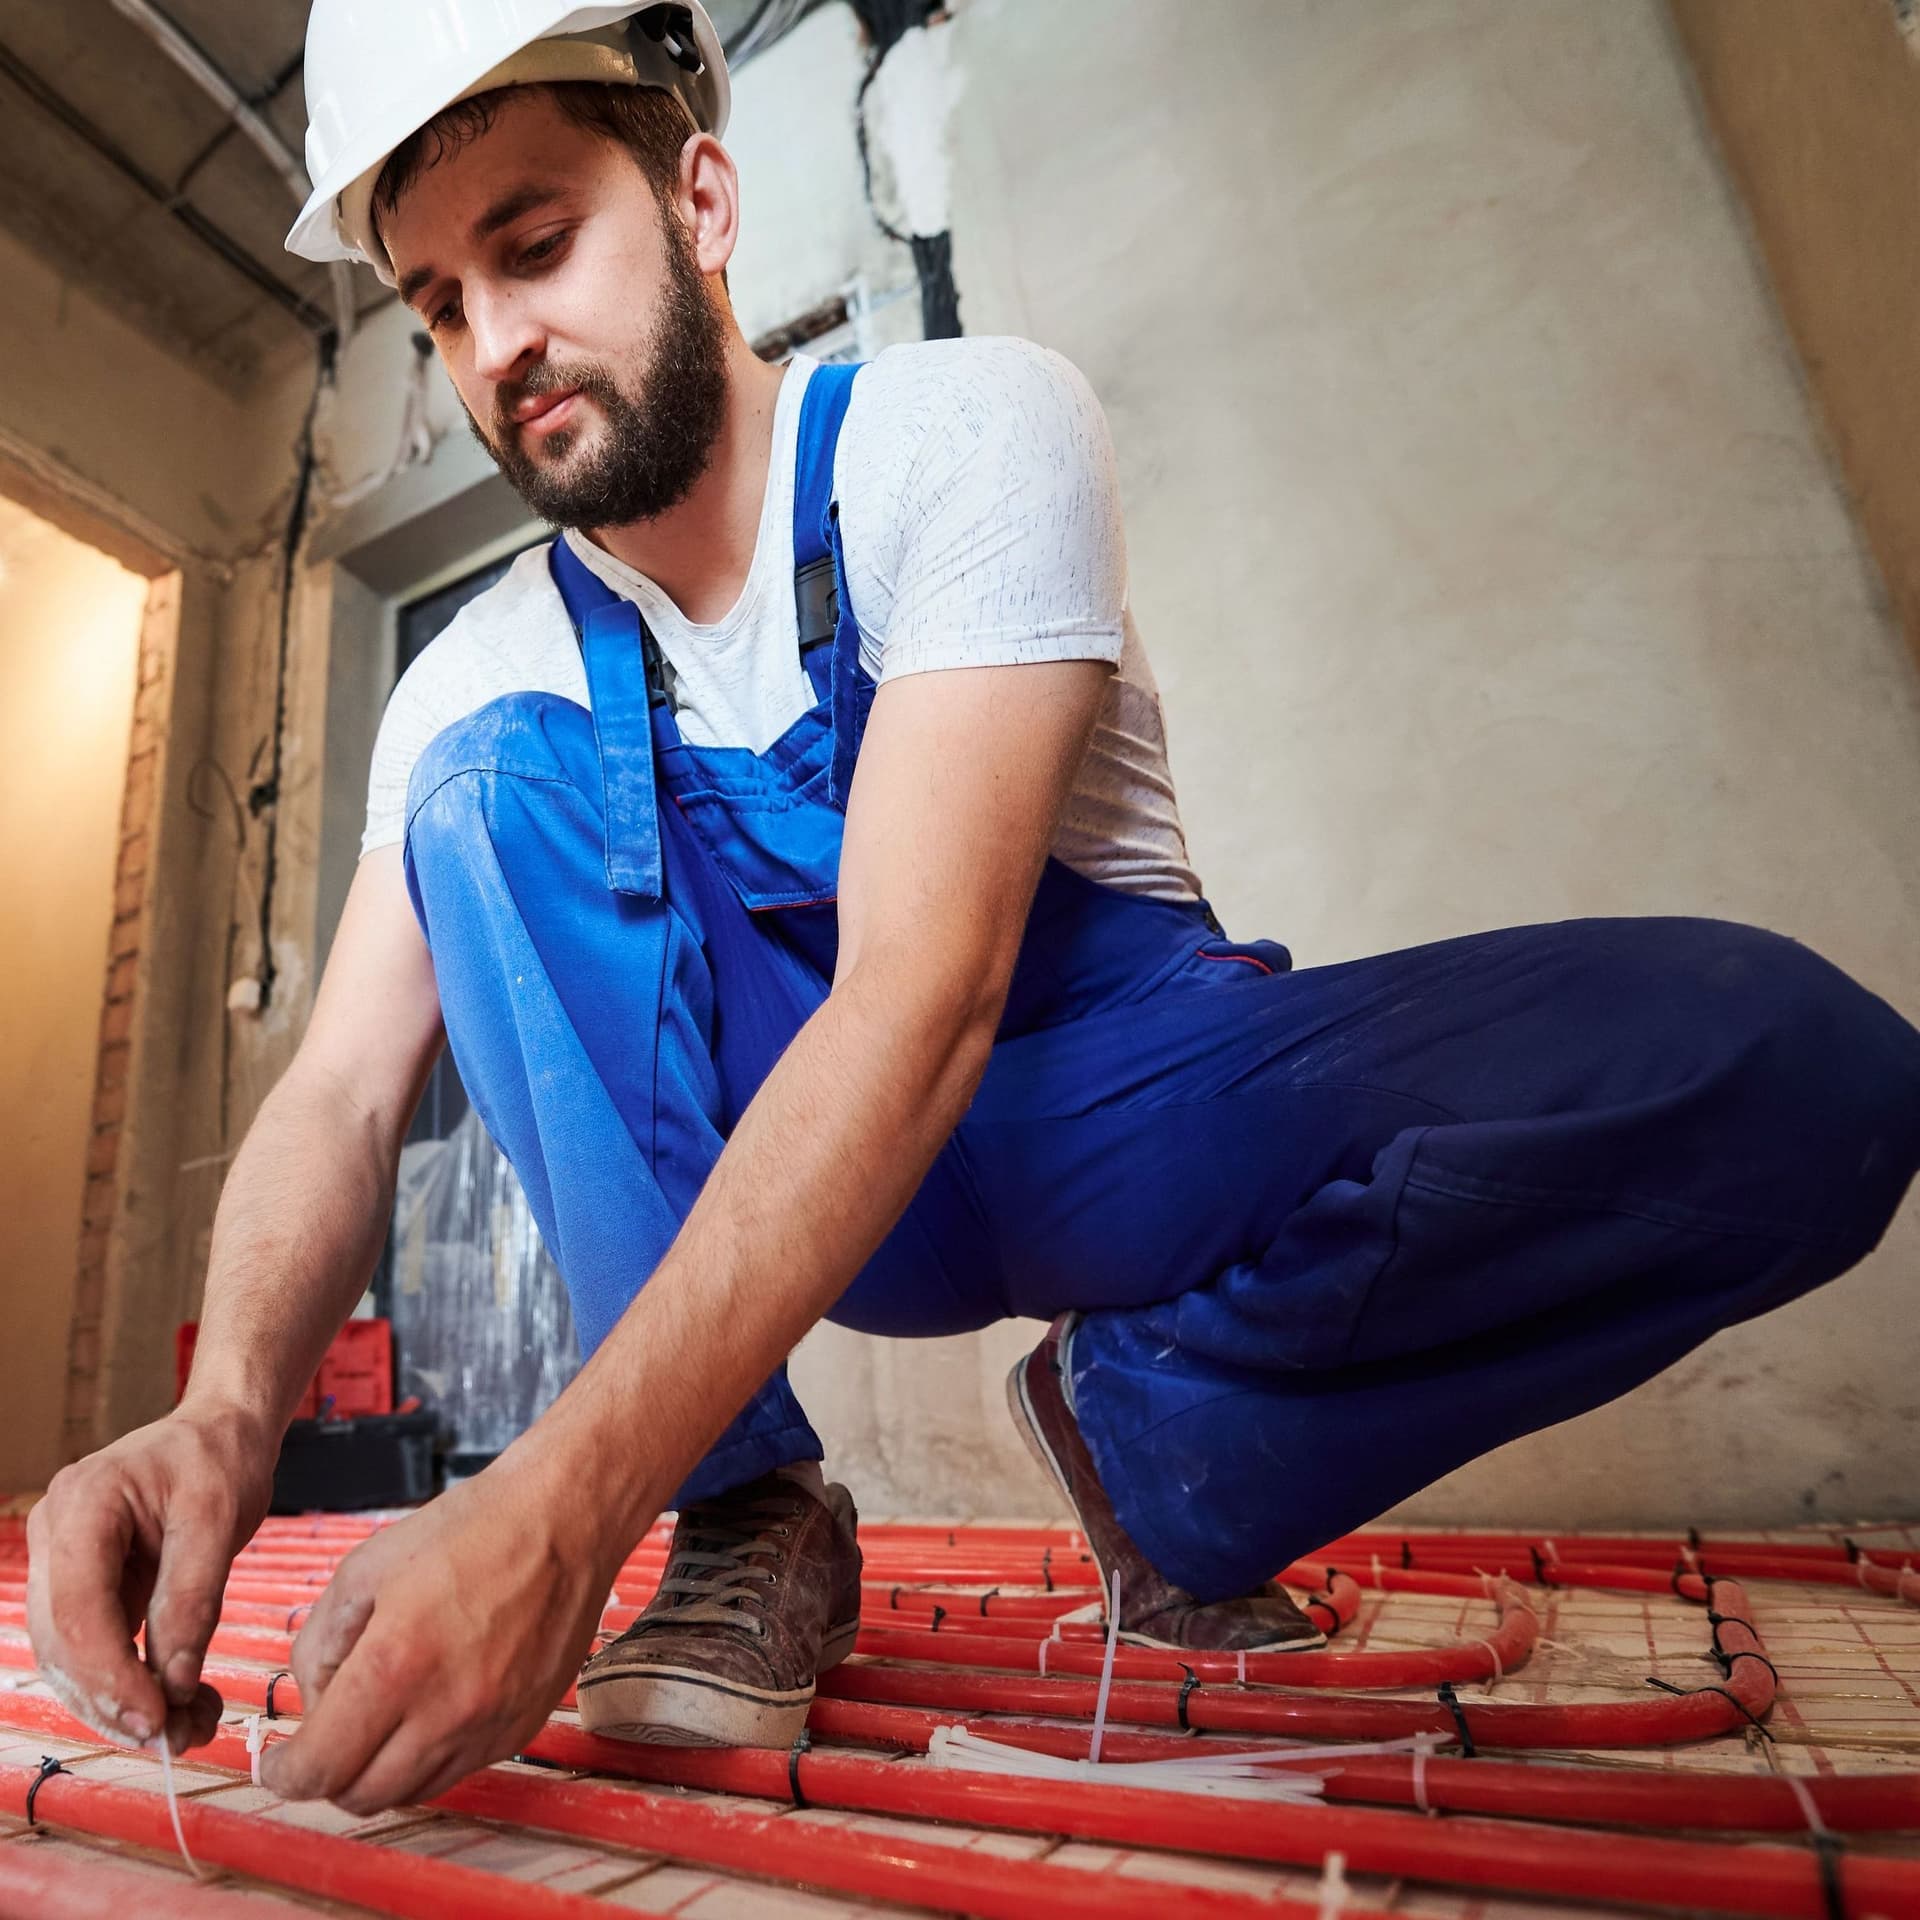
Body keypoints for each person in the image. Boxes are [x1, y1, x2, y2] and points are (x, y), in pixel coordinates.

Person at [28, 0, 1920, 1816]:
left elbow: (922, 1000)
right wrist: (225, 1419)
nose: (494, 342)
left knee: (1809, 1073)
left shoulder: (966, 433)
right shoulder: (480, 686)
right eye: (440, 303)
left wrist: (553, 1502)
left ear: (699, 202)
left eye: (534, 244)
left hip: (1113, 1107)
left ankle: (1158, 1432)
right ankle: (751, 1508)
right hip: (790, 1177)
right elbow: (348, 1091)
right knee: (478, 784)